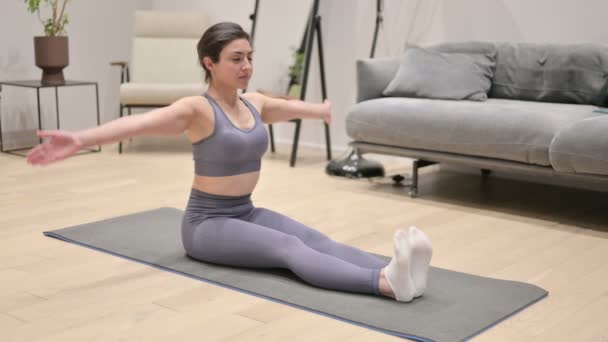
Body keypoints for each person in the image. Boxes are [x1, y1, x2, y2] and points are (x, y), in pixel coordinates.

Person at [26, 22, 432, 302]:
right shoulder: (196, 110)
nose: (247, 67)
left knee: (316, 239)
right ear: (210, 63)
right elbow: (137, 123)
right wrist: (79, 138)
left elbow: (284, 108)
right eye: (236, 59)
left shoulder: (252, 103)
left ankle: (398, 270)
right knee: (288, 248)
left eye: (249, 57)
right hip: (206, 226)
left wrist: (320, 110)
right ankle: (382, 283)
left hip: (245, 212)